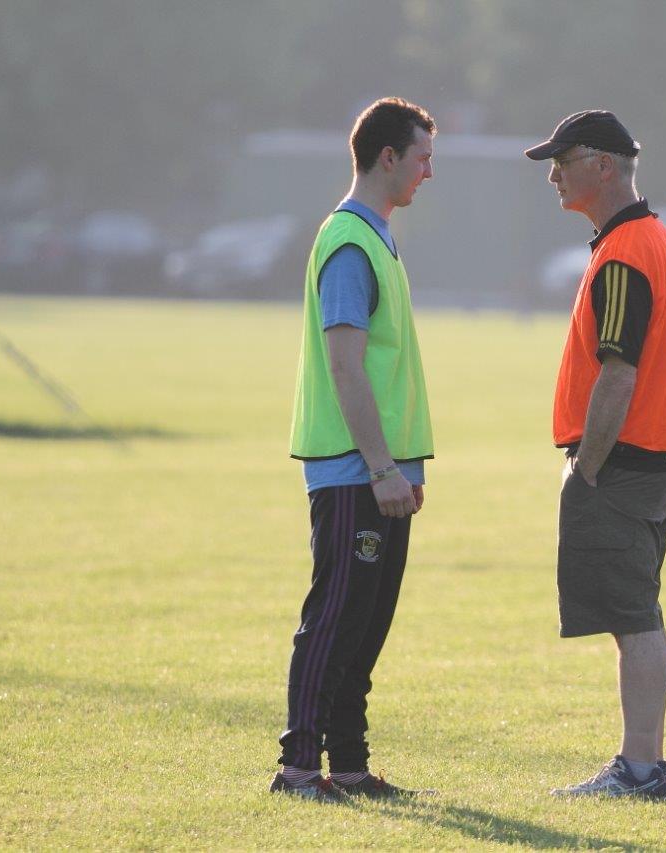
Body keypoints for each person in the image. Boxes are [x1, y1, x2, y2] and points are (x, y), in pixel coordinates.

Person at [525, 110, 666, 799]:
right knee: (639, 614)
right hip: (656, 455)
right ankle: (644, 762)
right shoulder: (649, 238)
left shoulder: (627, 251)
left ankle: (639, 767)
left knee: (634, 617)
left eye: (562, 159)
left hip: (626, 462)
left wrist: (586, 468)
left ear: (602, 165)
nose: (553, 174)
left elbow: (618, 372)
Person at [272, 97, 436, 802]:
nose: (430, 172)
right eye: (423, 156)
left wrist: (403, 467)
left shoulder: (380, 238)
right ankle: (299, 768)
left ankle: (352, 765)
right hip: (353, 472)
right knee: (335, 617)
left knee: (365, 625)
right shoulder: (349, 242)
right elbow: (345, 366)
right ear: (388, 156)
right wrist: (377, 467)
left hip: (385, 472)